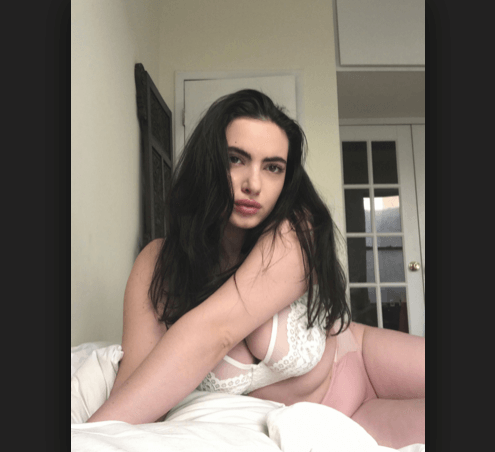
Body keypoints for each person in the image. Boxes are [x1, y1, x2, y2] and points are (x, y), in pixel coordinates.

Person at [87, 89, 425, 449]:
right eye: (235, 159)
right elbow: (132, 389)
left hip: (363, 361)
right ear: (208, 162)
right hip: (342, 423)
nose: (254, 184)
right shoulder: (158, 266)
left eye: (273, 167)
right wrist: (92, 435)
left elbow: (217, 330)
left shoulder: (296, 231)